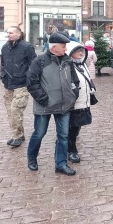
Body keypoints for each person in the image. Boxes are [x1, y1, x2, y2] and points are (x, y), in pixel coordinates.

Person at [26, 33, 80, 176]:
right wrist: (43, 99)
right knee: (39, 133)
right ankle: (31, 158)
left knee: (63, 136)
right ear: (54, 47)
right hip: (45, 105)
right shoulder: (39, 61)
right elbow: (31, 82)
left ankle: (61, 164)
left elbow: (75, 80)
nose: (65, 49)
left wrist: (74, 95)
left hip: (64, 105)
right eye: (63, 46)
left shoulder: (67, 61)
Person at [1, 26, 37, 147]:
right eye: (7, 33)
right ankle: (18, 135)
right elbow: (2, 63)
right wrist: (2, 75)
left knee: (16, 110)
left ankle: (17, 136)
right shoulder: (5, 47)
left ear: (18, 34)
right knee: (10, 112)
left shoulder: (27, 47)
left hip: (21, 84)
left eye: (11, 33)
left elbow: (34, 64)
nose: (8, 35)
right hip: (8, 84)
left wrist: (28, 78)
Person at [66, 41, 94, 163]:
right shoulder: (68, 67)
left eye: (81, 50)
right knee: (72, 128)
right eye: (78, 51)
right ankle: (71, 151)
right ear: (70, 53)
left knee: (77, 127)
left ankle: (70, 147)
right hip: (74, 103)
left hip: (83, 101)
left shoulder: (81, 65)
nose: (81, 53)